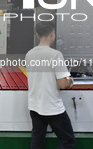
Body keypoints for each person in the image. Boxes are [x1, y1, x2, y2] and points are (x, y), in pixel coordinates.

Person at [25, 21, 75, 149]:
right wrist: (70, 80)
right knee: (68, 141)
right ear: (53, 34)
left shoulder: (29, 54)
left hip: (35, 106)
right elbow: (63, 84)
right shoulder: (55, 55)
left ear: (37, 35)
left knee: (37, 142)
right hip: (52, 107)